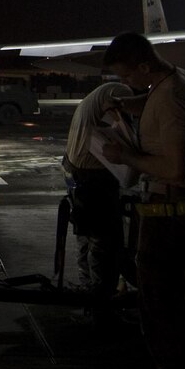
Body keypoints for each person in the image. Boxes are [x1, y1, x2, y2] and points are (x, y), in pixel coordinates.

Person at [97, 32, 185, 369]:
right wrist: (127, 105)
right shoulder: (175, 82)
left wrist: (124, 156)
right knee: (180, 314)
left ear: (144, 66)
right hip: (178, 216)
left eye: (128, 77)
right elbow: (156, 102)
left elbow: (176, 168)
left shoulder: (172, 95)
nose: (127, 85)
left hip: (170, 220)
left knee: (165, 318)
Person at [64, 80, 136, 312]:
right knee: (105, 242)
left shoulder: (94, 95)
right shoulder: (120, 90)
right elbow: (114, 118)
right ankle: (102, 304)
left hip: (76, 171)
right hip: (94, 177)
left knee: (86, 236)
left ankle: (89, 294)